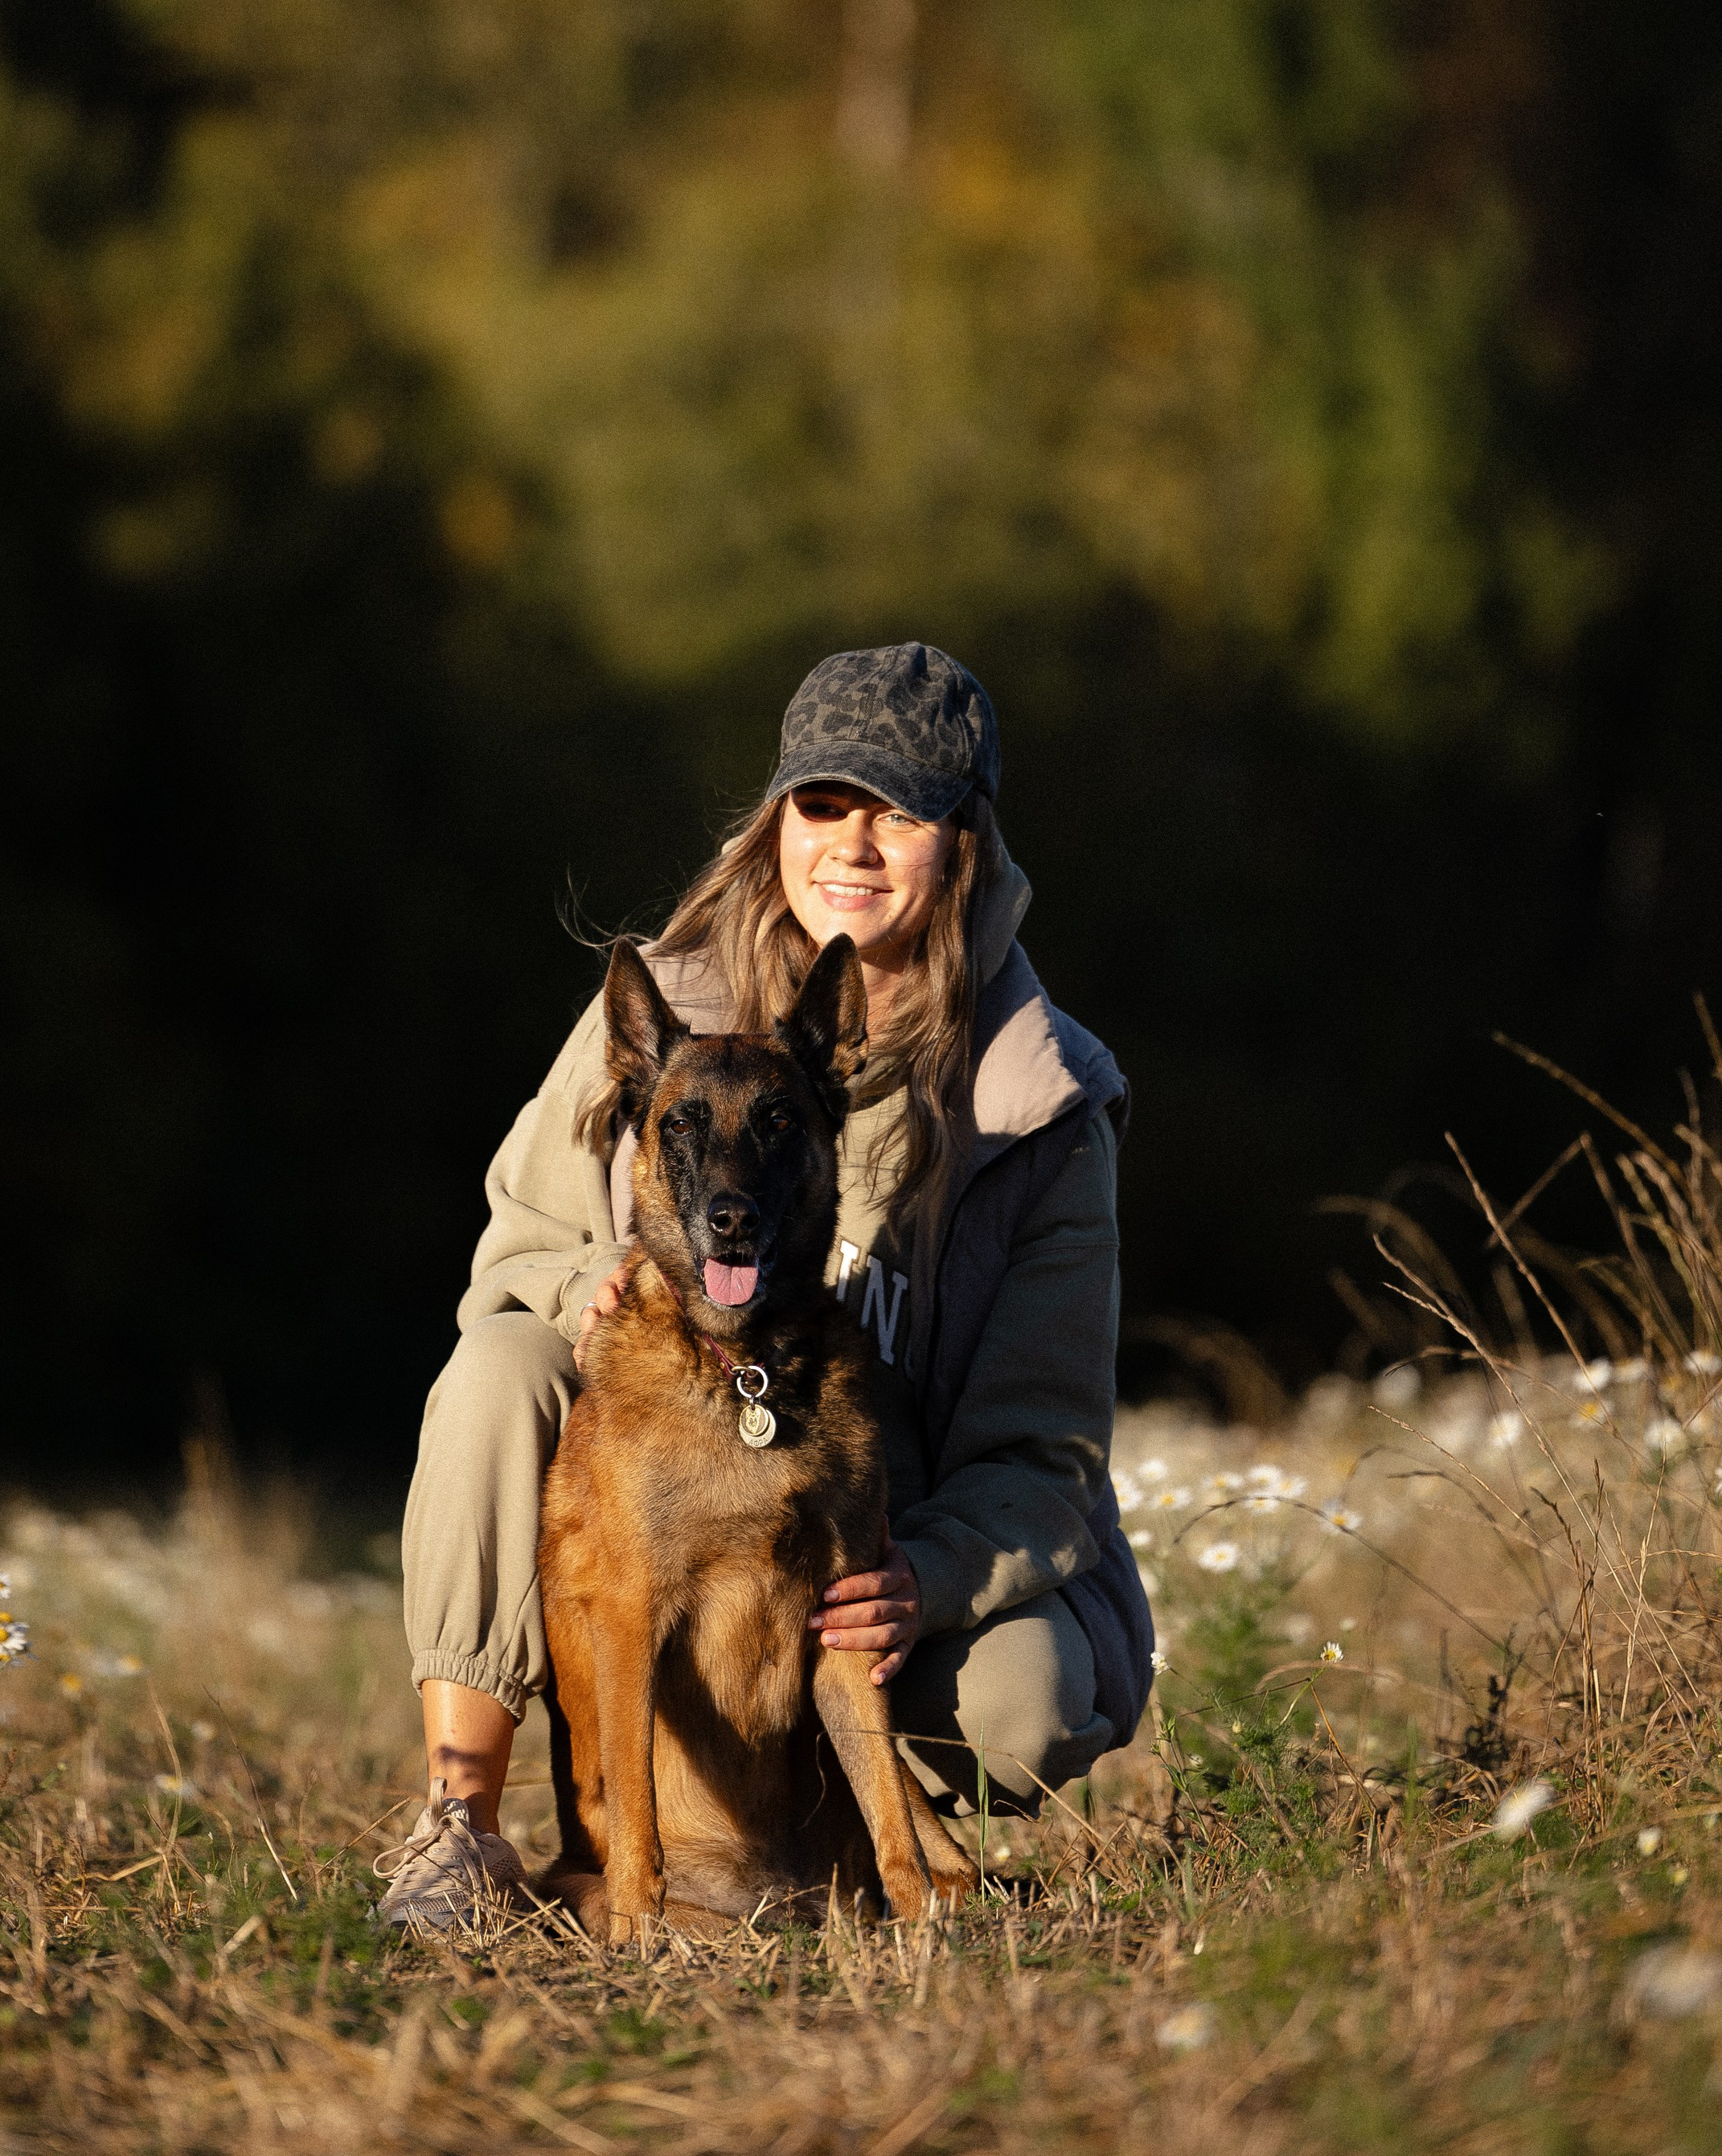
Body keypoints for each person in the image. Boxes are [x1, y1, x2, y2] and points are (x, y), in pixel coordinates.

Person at [375, 641, 1152, 1929]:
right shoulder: (664, 1006)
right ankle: (458, 1823)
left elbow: (1049, 1446)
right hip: (669, 1448)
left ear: (964, 840)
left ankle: (871, 1850)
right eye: (822, 803)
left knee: (1019, 1696)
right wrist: (599, 1284)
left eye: (896, 811)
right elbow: (512, 1254)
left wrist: (932, 1574)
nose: (850, 843)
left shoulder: (1040, 1100)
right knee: (495, 1370)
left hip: (892, 1527)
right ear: (778, 819)